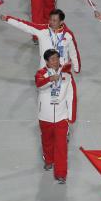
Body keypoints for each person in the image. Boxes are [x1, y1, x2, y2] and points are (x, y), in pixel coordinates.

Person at [35, 48, 76, 183]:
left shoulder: (67, 75)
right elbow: (39, 85)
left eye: (57, 58)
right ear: (46, 62)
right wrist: (50, 79)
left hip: (61, 117)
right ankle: (48, 160)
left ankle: (61, 173)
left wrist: (71, 117)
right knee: (47, 141)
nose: (56, 61)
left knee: (61, 146)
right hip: (45, 115)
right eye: (52, 59)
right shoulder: (41, 73)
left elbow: (71, 96)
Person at [0, 7, 81, 72]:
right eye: (50, 19)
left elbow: (73, 52)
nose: (51, 22)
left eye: (54, 20)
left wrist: (76, 68)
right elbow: (24, 25)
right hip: (45, 72)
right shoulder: (42, 30)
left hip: (62, 72)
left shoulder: (68, 34)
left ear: (61, 22)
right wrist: (8, 19)